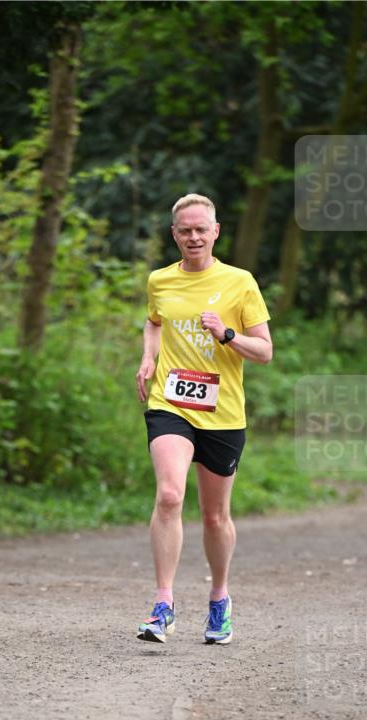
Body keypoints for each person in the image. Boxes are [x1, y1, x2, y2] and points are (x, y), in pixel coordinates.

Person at [135, 193, 272, 644]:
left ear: (215, 232)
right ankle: (163, 604)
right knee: (171, 495)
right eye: (184, 230)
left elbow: (265, 352)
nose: (193, 237)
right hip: (171, 403)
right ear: (174, 235)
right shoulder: (160, 280)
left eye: (201, 229)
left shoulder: (240, 282)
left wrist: (227, 334)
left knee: (215, 517)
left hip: (222, 412)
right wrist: (148, 359)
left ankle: (219, 600)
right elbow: (154, 321)